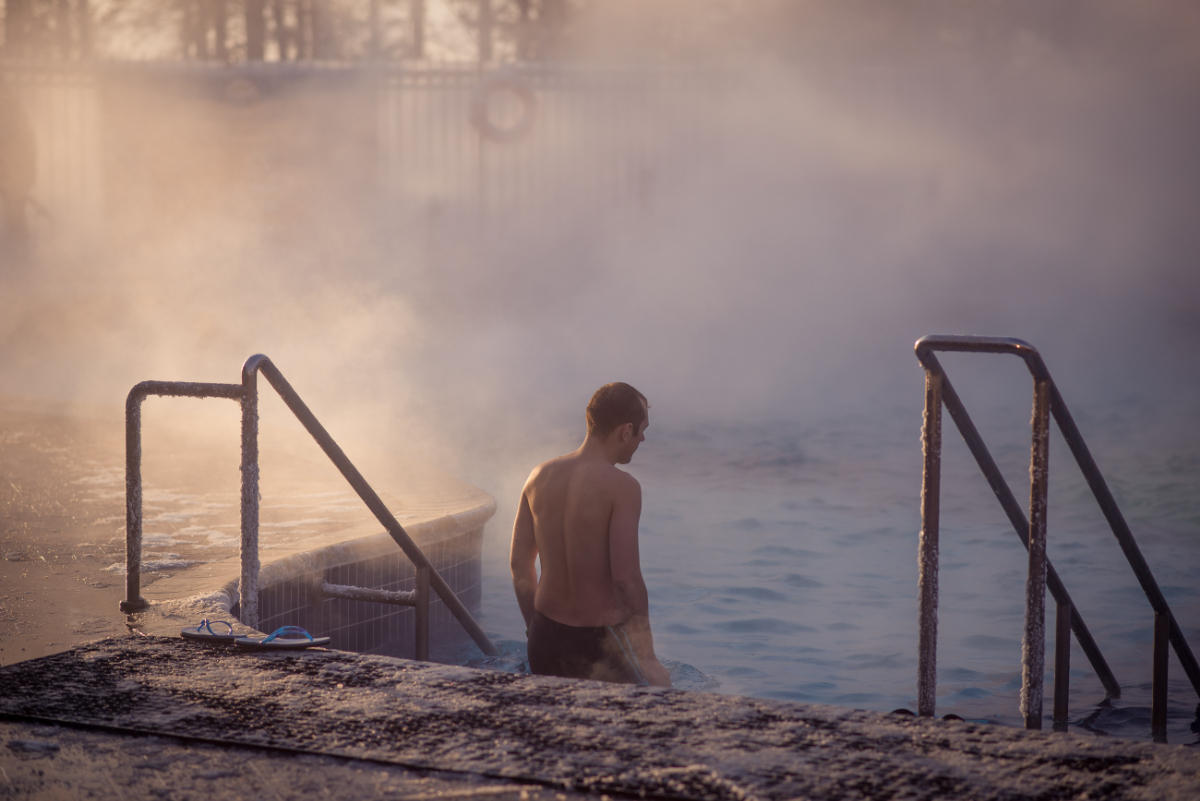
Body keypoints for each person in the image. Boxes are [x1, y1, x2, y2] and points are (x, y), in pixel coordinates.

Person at [510, 382, 671, 687]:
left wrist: (534, 627)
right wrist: (648, 657)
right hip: (597, 643)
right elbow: (625, 579)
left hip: (544, 638)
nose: (643, 438)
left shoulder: (538, 476)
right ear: (626, 431)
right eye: (642, 430)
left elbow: (519, 564)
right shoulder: (622, 487)